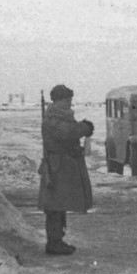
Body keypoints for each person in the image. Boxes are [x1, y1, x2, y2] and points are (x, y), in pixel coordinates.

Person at [38, 84, 94, 255]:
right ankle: (54, 242)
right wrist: (84, 127)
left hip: (62, 165)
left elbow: (67, 135)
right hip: (57, 167)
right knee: (55, 205)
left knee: (59, 204)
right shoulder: (54, 118)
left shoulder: (58, 115)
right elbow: (67, 133)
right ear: (59, 101)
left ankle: (57, 240)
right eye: (68, 100)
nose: (70, 103)